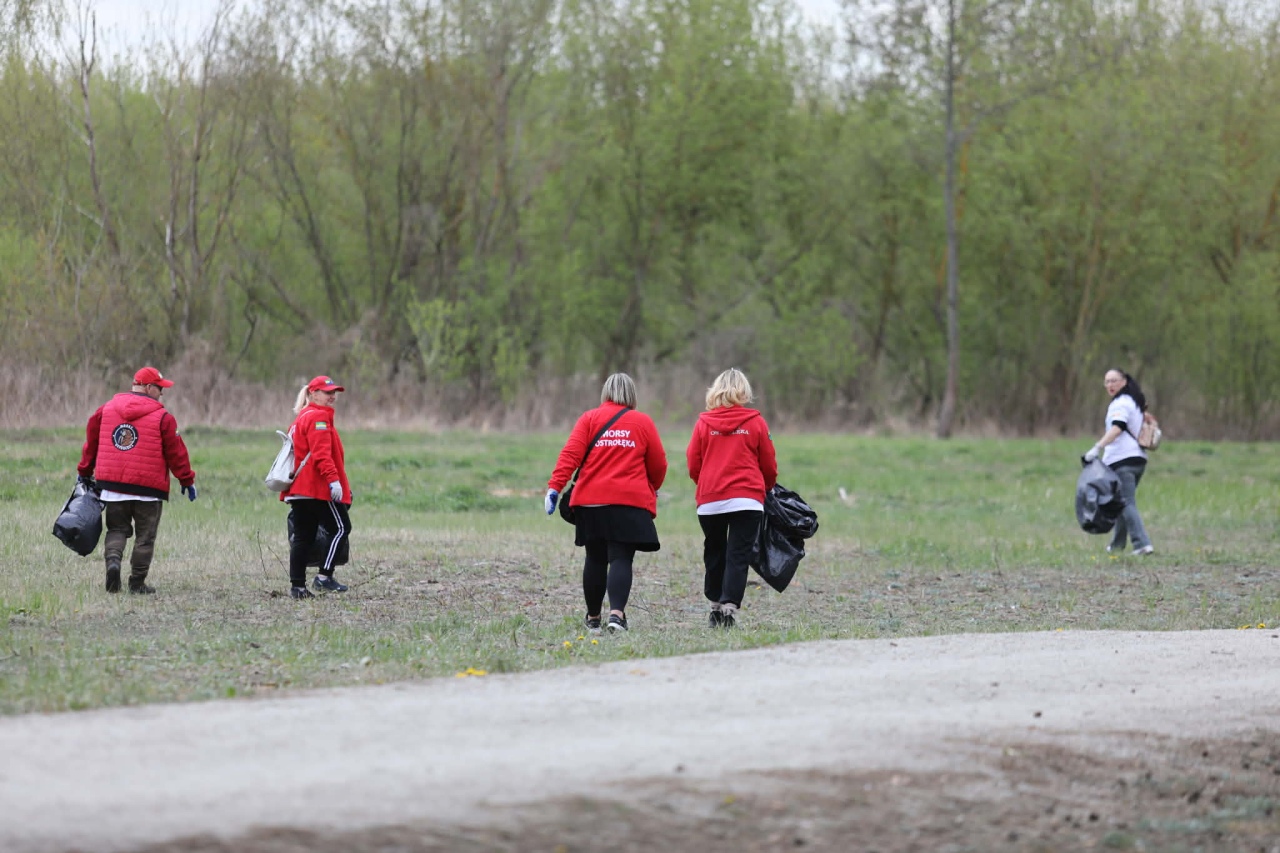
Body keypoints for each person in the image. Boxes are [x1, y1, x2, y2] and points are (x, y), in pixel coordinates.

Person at [545, 373, 667, 633]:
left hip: (591, 503)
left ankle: (593, 619)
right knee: (621, 557)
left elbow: (570, 455)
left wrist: (555, 488)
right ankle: (616, 615)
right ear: (632, 394)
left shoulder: (589, 419)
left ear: (605, 393)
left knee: (595, 558)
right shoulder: (642, 422)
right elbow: (658, 465)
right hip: (629, 503)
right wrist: (652, 487)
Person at [77, 366, 198, 594]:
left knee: (116, 529)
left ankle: (113, 562)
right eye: (160, 389)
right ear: (149, 387)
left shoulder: (105, 410)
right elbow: (177, 453)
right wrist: (186, 480)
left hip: (113, 488)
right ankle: (137, 583)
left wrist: (84, 470)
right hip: (148, 490)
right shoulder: (163, 418)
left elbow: (91, 443)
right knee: (145, 536)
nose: (162, 394)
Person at [686, 368, 777, 628]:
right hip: (747, 500)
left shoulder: (703, 423)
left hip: (710, 499)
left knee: (714, 551)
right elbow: (768, 463)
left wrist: (705, 483)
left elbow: (693, 462)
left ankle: (714, 605)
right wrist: (766, 487)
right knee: (738, 554)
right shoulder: (756, 422)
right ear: (744, 391)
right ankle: (729, 609)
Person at [281, 376, 353, 599]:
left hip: (298, 490)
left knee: (303, 537)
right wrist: (334, 481)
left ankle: (298, 587)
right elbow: (322, 454)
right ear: (312, 394)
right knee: (341, 528)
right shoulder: (319, 418)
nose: (332, 396)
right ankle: (324, 577)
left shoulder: (301, 417)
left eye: (334, 392)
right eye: (326, 392)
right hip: (316, 488)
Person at [1084, 369, 1154, 556]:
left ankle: (1142, 544)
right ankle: (1117, 545)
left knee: (1125, 502)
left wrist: (1097, 447)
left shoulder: (1120, 404)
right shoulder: (1133, 401)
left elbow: (1118, 427)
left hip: (1122, 459)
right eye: (1106, 381)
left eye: (1114, 381)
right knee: (1121, 502)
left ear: (1124, 381)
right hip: (1137, 459)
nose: (1110, 385)